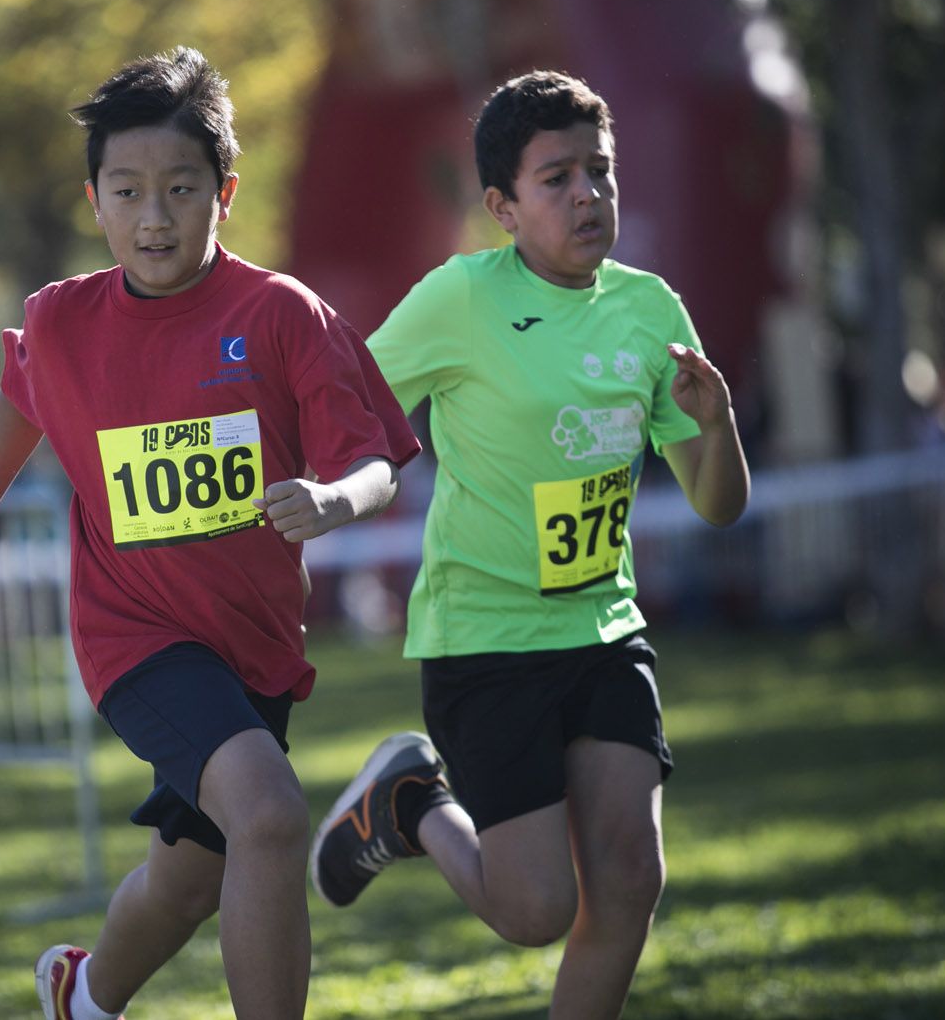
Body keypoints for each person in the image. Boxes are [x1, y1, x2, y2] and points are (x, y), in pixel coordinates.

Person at [0, 46, 419, 1020]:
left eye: (181, 188)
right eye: (129, 190)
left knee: (192, 878)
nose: (154, 216)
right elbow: (20, 403)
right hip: (136, 633)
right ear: (94, 198)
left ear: (223, 193)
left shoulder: (282, 314)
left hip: (255, 643)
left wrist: (332, 500)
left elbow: (375, 459)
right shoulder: (62, 319)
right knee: (270, 812)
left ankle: (84, 993)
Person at [309, 70, 751, 1018]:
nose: (588, 193)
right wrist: (315, 491)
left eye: (601, 169)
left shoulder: (651, 311)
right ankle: (411, 806)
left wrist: (717, 428)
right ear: (503, 207)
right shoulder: (460, 297)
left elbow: (718, 505)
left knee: (630, 877)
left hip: (604, 630)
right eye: (557, 178)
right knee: (536, 907)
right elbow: (350, 397)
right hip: (486, 641)